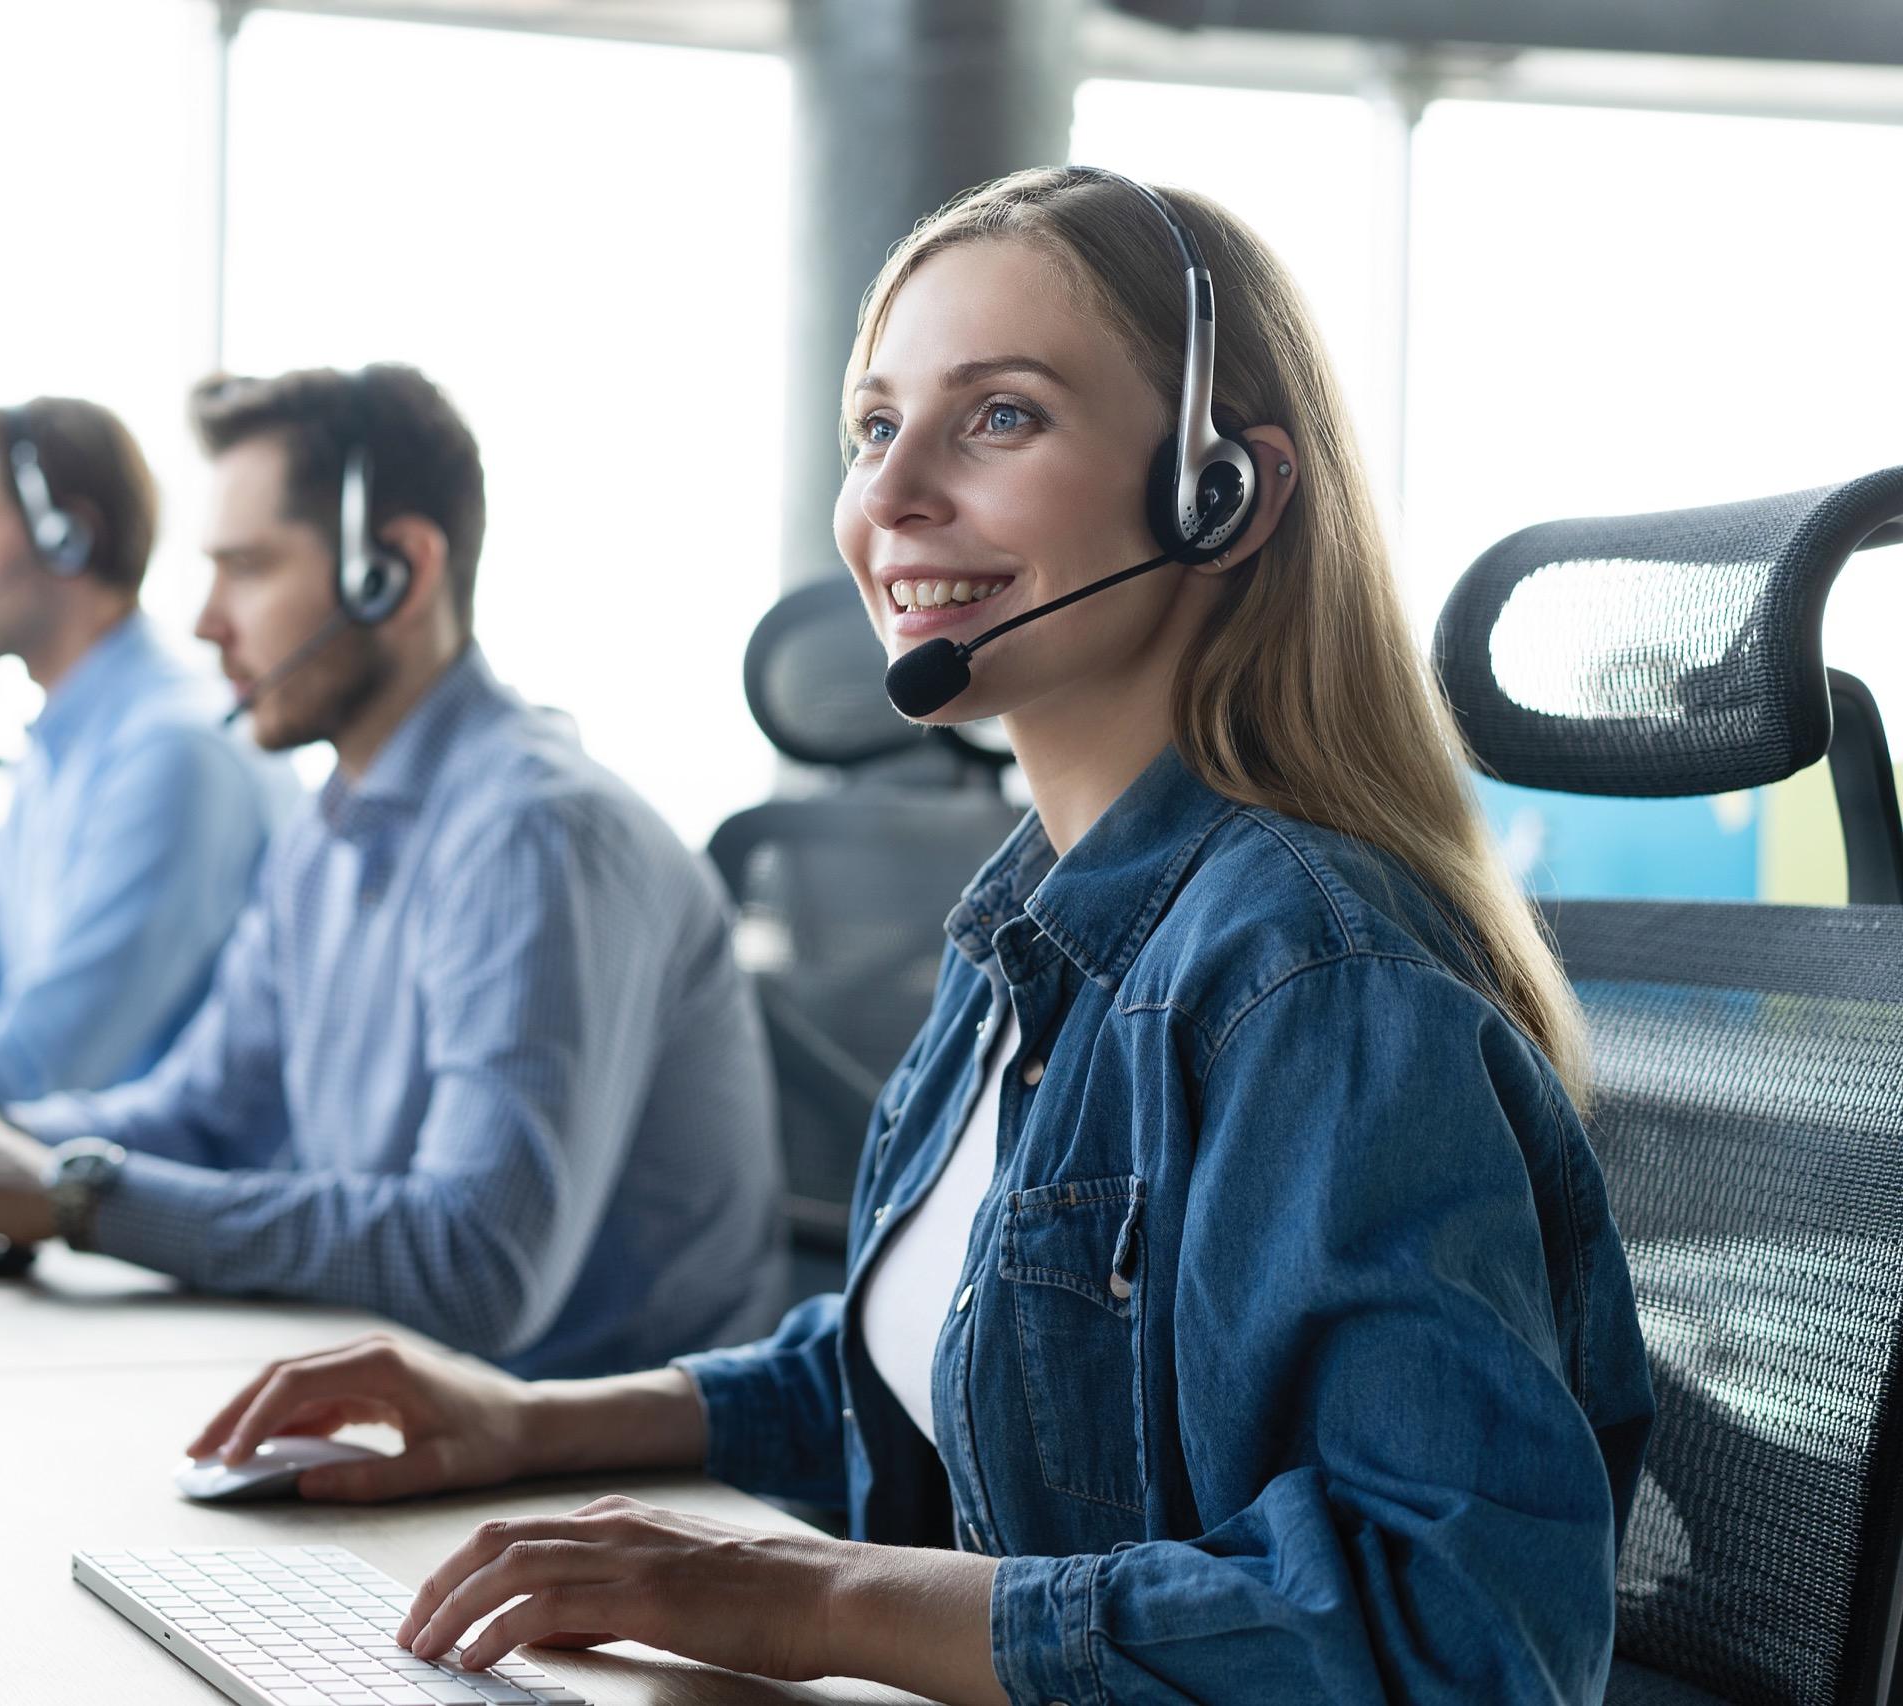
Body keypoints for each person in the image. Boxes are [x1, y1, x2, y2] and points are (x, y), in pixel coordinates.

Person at [186, 171, 1656, 1702]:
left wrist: (813, 1597)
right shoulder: (1031, 928)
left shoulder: (1307, 977)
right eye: (876, 427)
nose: (886, 502)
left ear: (1225, 492)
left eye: (1000, 416)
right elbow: (935, 1377)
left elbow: (1456, 1635)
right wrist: (521, 1420)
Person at [0, 364, 785, 1379]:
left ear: (395, 570)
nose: (207, 621)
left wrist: (77, 1194)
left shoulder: (535, 833)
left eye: (246, 568)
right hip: (396, 1406)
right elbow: (201, 1114)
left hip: (610, 1480)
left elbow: (477, 1263)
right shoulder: (326, 824)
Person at [0, 398, 284, 1105]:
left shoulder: (172, 754)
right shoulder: (59, 748)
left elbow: (43, 1063)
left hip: (133, 1192)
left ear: (68, 537)